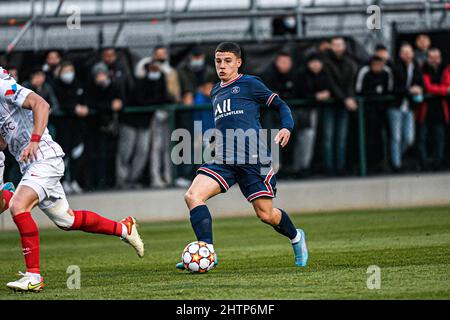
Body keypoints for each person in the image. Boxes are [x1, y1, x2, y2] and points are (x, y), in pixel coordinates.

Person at [0, 66, 144, 292]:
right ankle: (124, 229)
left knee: (18, 206)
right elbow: (3, 142)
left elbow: (42, 105)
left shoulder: (4, 87)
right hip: (30, 165)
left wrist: (35, 140)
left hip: (44, 159)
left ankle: (33, 276)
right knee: (67, 221)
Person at [175, 42, 308, 270]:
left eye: (227, 61)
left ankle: (296, 237)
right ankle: (207, 252)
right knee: (193, 196)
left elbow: (281, 105)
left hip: (253, 159)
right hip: (224, 159)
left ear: (238, 62)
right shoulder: (215, 90)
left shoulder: (250, 84)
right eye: (218, 61)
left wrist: (286, 127)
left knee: (266, 215)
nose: (222, 66)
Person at [321, 37, 358, 175]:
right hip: (331, 104)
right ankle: (329, 169)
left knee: (341, 138)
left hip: (343, 105)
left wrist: (349, 98)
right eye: (335, 45)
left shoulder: (349, 62)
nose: (338, 47)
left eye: (340, 45)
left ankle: (340, 167)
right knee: (328, 138)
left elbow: (350, 83)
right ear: (330, 46)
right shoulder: (325, 62)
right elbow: (331, 84)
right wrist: (345, 99)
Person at [53, 61, 89, 194]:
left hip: (77, 127)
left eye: (71, 70)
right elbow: (58, 104)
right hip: (63, 127)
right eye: (66, 70)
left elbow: (85, 100)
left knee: (77, 154)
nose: (69, 74)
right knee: (64, 155)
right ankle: (62, 182)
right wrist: (73, 108)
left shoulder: (78, 85)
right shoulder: (56, 86)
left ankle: (74, 180)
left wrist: (84, 107)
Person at [294, 53, 333, 175]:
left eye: (318, 62)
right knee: (303, 137)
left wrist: (325, 94)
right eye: (313, 62)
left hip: (315, 110)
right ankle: (299, 167)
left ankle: (304, 166)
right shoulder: (301, 74)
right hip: (300, 110)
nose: (316, 65)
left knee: (308, 137)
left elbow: (329, 89)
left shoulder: (325, 74)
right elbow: (300, 92)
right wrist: (316, 96)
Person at [87, 62, 123, 188]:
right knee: (98, 155)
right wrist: (109, 105)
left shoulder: (115, 86)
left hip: (112, 126)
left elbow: (120, 102)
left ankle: (111, 181)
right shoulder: (92, 88)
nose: (101, 77)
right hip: (96, 127)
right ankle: (98, 182)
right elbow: (93, 104)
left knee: (112, 154)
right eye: (99, 75)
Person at [355, 56, 394, 173]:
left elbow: (389, 89)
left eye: (380, 64)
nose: (378, 67)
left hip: (383, 111)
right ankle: (367, 165)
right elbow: (359, 90)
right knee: (369, 138)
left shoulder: (387, 72)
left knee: (384, 138)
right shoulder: (365, 72)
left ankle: (383, 163)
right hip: (368, 112)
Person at [389, 43, 423, 172]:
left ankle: (397, 156)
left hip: (409, 107)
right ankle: (396, 164)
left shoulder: (416, 67)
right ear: (400, 54)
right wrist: (409, 90)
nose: (407, 55)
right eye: (405, 52)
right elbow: (393, 88)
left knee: (409, 138)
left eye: (409, 52)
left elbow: (420, 83)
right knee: (396, 137)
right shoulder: (395, 68)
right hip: (396, 106)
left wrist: (419, 89)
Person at [417, 48, 450, 170]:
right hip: (425, 109)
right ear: (428, 58)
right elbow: (428, 87)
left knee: (439, 137)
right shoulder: (422, 69)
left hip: (441, 108)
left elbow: (447, 84)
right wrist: (443, 90)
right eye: (432, 57)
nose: (435, 60)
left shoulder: (445, 68)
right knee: (422, 137)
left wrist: (443, 90)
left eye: (437, 57)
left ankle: (438, 163)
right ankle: (424, 163)